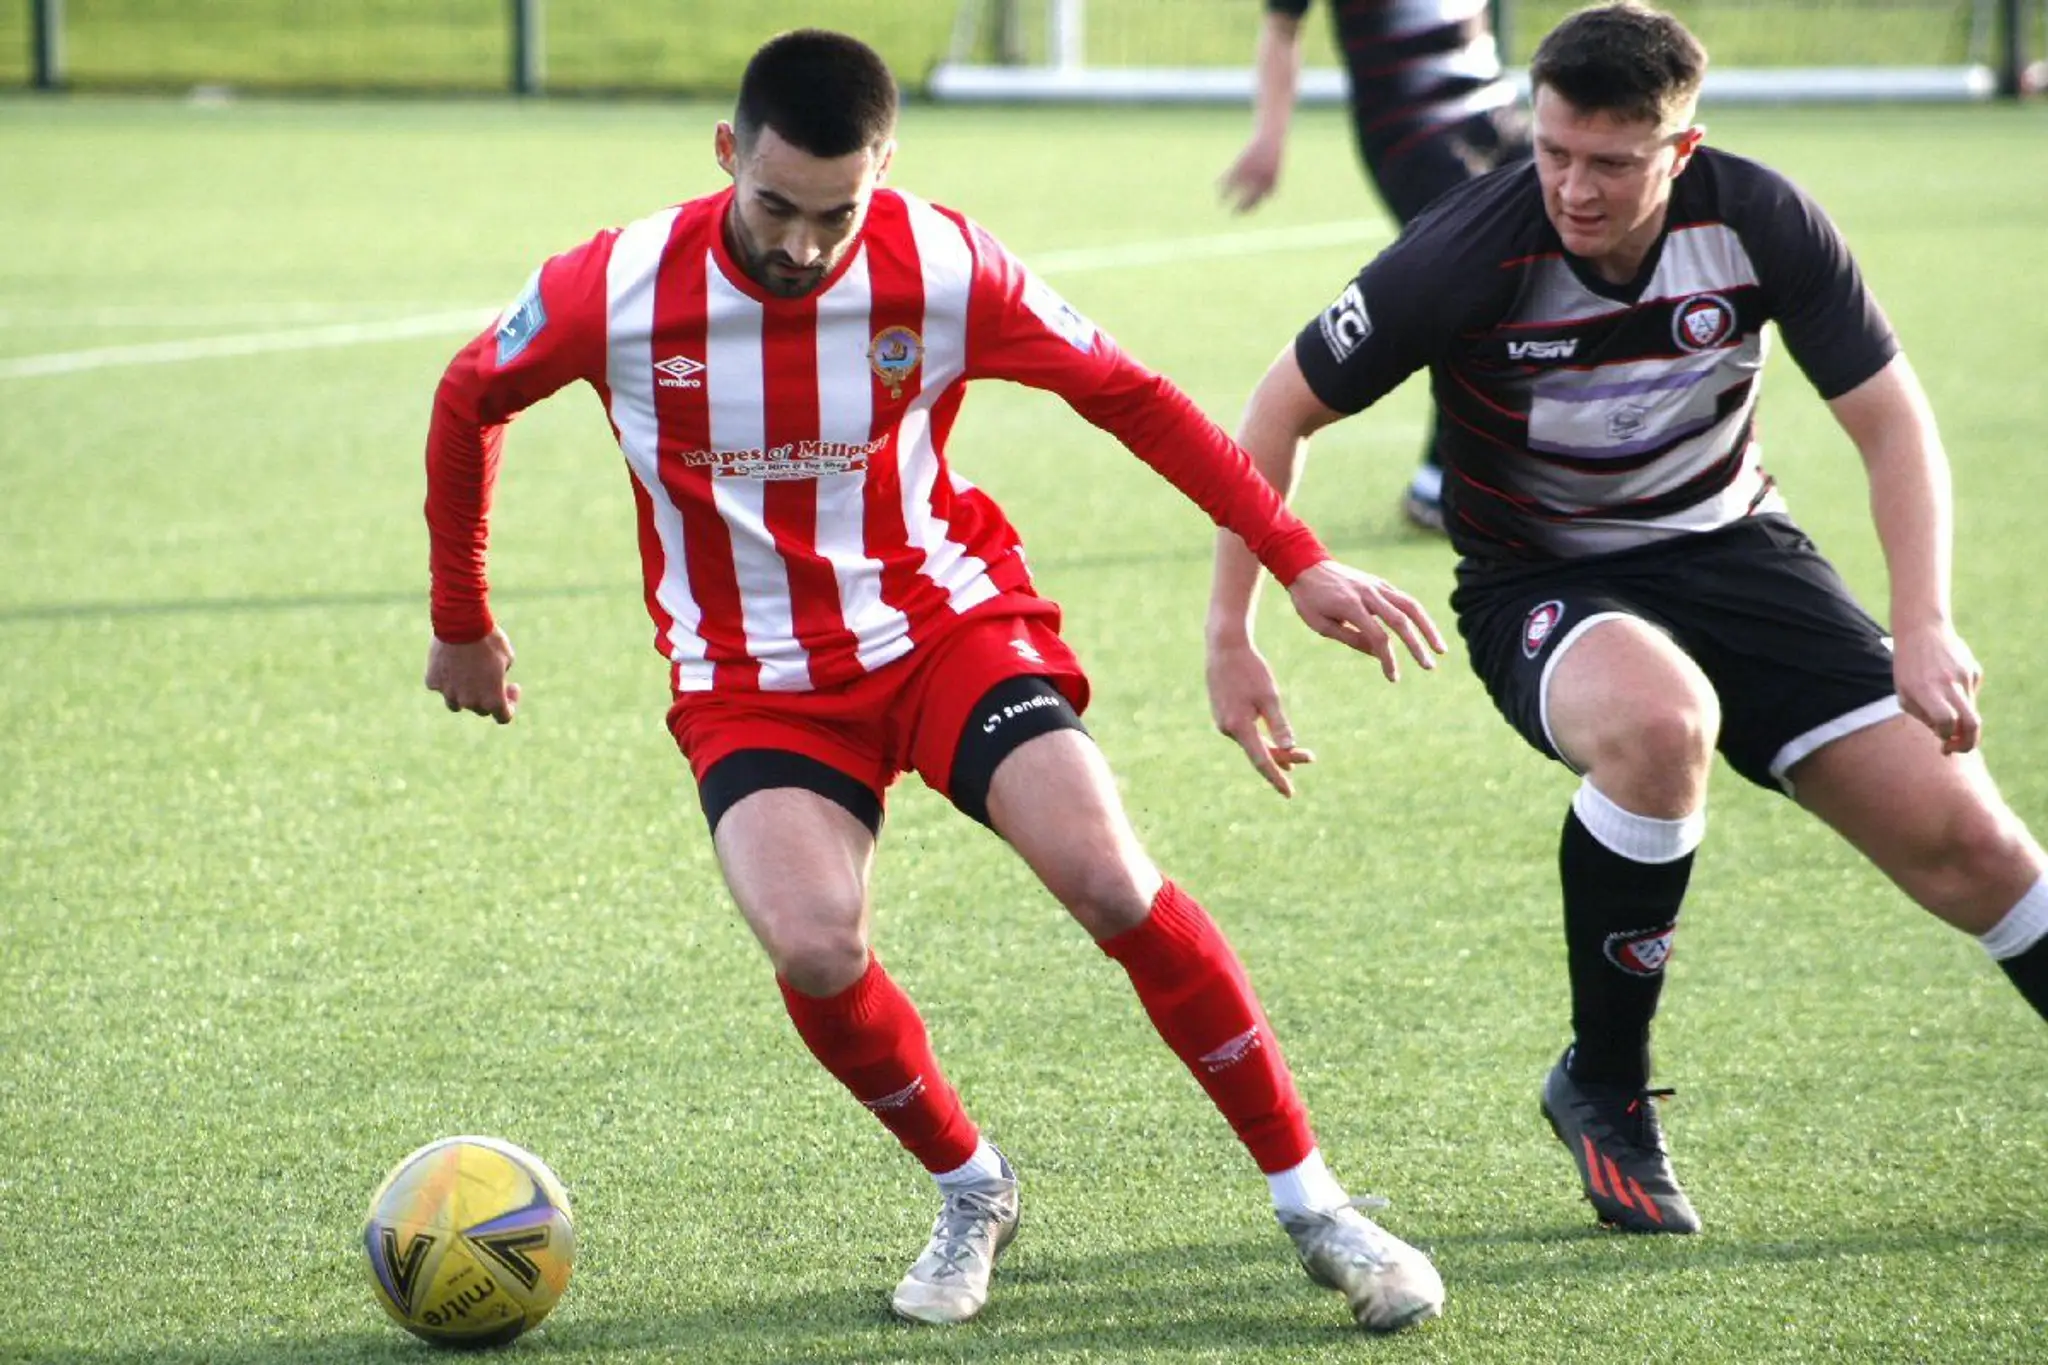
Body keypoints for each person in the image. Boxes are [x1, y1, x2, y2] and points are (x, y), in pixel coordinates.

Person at [422, 28, 1450, 1330]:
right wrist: (462, 619)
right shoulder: (614, 288)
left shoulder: (942, 264)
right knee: (814, 945)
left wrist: (1294, 560)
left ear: (886, 169)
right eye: (775, 206)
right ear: (728, 154)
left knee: (1107, 875)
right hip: (751, 679)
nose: (803, 245)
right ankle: (973, 1185)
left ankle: (1317, 1207)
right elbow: (469, 396)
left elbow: (1131, 396)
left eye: (836, 213)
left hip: (943, 625)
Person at [1206, 1, 2048, 1235]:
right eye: (1551, 150)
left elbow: (1888, 421)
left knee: (1975, 850)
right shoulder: (1462, 251)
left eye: (1608, 162)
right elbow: (1274, 412)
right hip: (1538, 580)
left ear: (1679, 147)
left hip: (1737, 554)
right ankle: (1602, 1086)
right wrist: (1234, 628)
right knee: (1659, 725)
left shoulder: (1758, 219)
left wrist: (1921, 619)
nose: (1571, 188)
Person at [1218, 0, 1532, 534]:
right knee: (1471, 279)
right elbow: (1281, 28)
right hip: (1413, 128)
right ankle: (1440, 482)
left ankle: (1524, 469)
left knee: (1547, 263)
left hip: (1498, 111)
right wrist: (1269, 137)